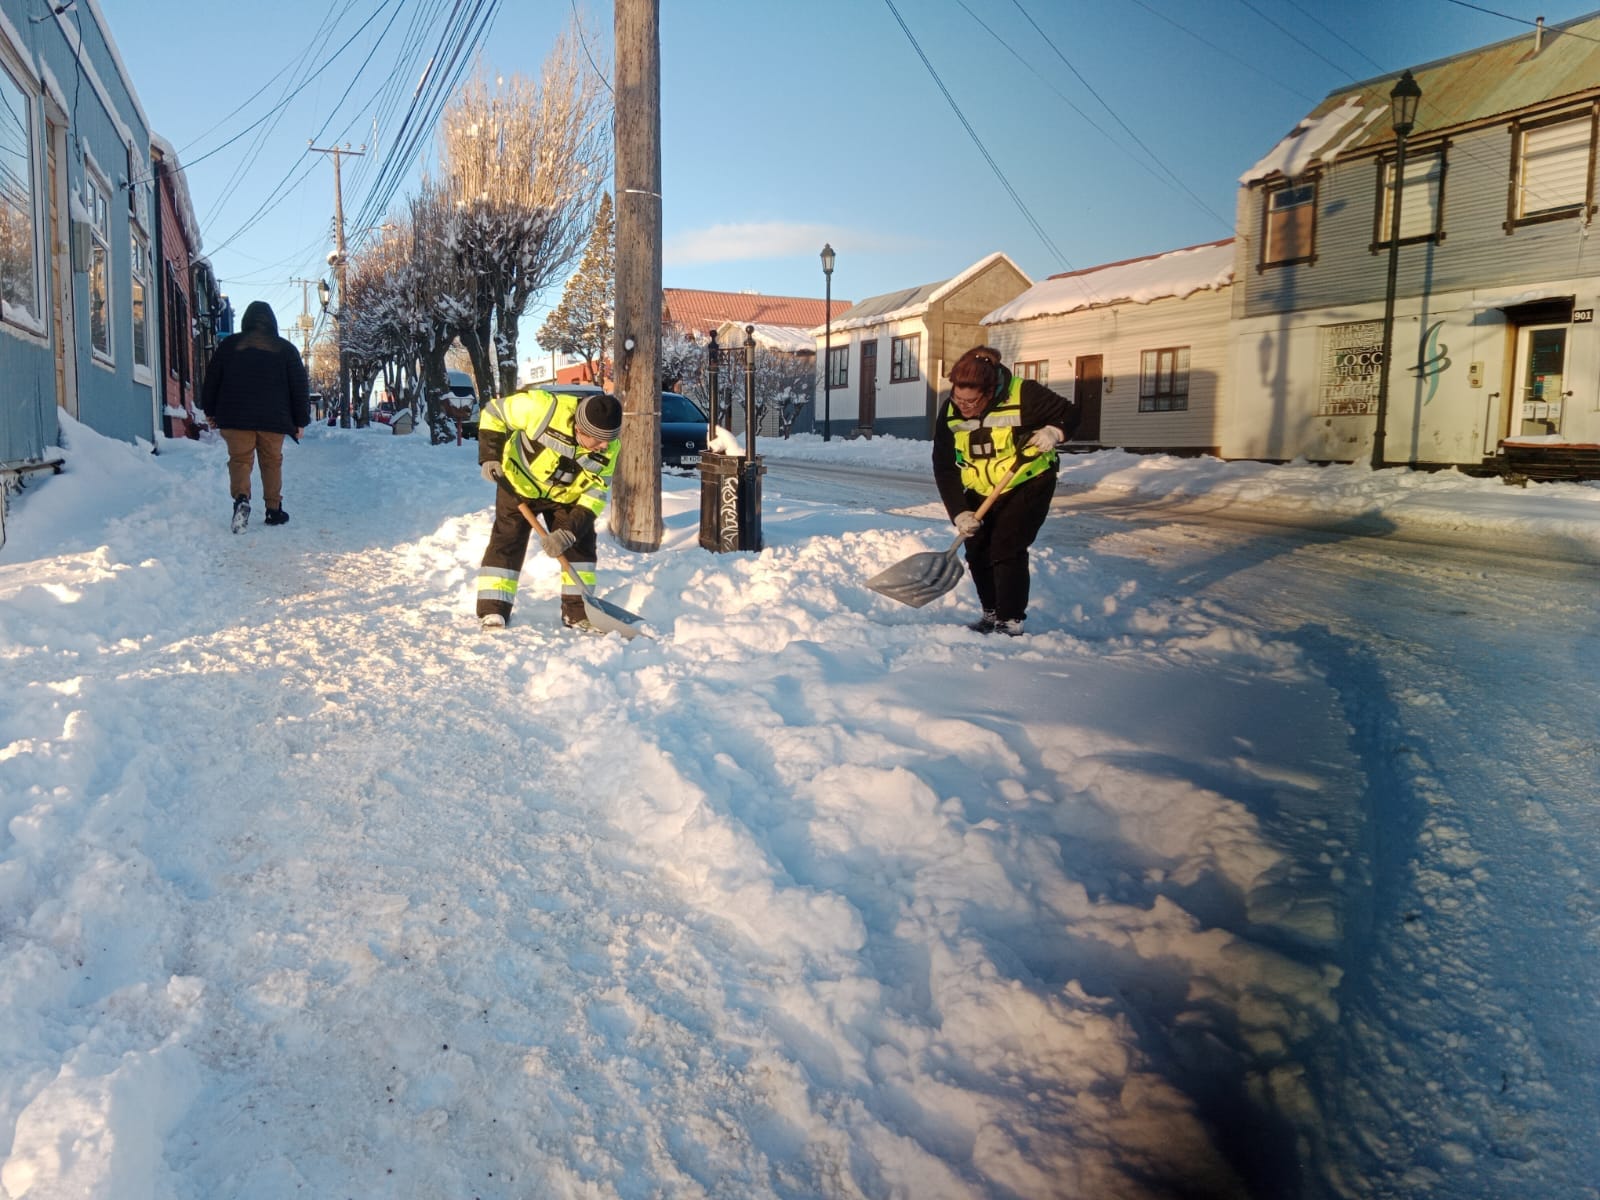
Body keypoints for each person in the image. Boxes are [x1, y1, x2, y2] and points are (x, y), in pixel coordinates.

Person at [932, 345, 1076, 636]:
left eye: (971, 402)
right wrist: (959, 512)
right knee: (977, 548)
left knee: (1006, 547)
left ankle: (1010, 621)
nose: (963, 406)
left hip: (1027, 481)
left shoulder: (1025, 394)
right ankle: (991, 613)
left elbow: (1070, 414)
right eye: (958, 398)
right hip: (981, 486)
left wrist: (1054, 432)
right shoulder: (949, 410)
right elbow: (944, 465)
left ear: (988, 392)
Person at [475, 388, 624, 632]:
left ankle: (579, 612)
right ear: (579, 428)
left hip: (567, 496)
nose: (604, 445)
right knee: (508, 541)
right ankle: (494, 609)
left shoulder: (610, 447)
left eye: (610, 439)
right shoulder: (543, 408)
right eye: (598, 440)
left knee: (580, 545)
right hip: (518, 484)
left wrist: (568, 532)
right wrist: (490, 456)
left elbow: (596, 492)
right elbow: (495, 412)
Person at [200, 300, 310, 533]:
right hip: (274, 418)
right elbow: (299, 386)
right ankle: (273, 509)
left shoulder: (229, 346)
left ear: (246, 321)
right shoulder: (286, 349)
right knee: (271, 461)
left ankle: (241, 500)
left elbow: (211, 380)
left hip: (235, 416)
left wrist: (210, 411)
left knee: (240, 460)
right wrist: (300, 420)